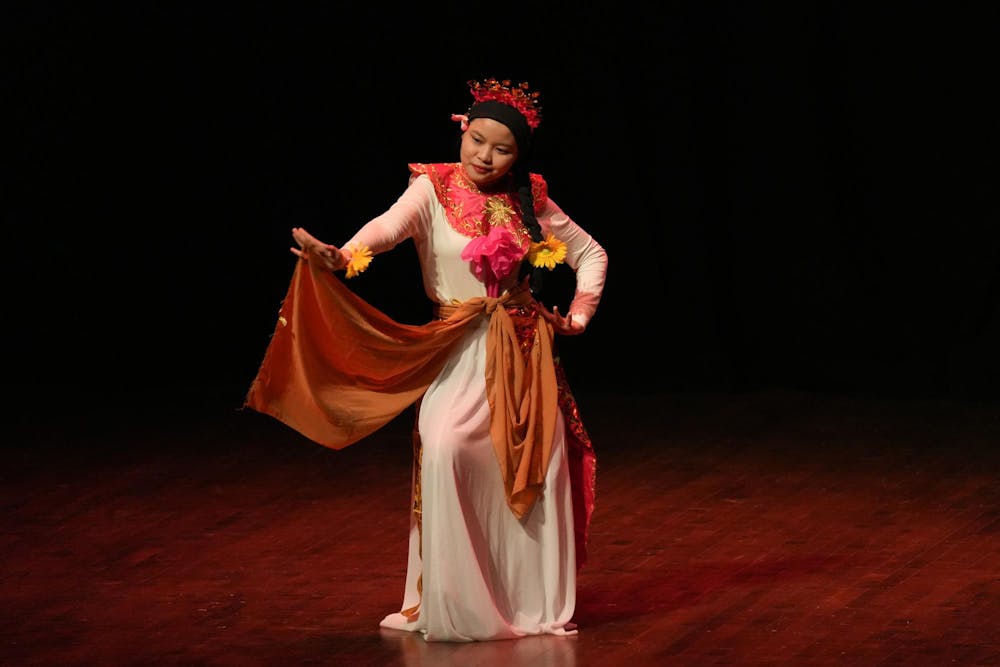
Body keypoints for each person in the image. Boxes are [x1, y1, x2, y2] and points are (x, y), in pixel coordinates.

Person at [244, 77, 608, 642]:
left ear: (518, 155)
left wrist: (577, 318)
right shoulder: (431, 187)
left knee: (540, 467)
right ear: (462, 131)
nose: (485, 157)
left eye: (501, 149)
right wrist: (341, 257)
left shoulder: (529, 198)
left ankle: (529, 603)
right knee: (444, 450)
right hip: (457, 347)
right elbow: (388, 230)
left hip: (525, 350)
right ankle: (456, 600)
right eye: (477, 141)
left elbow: (590, 254)